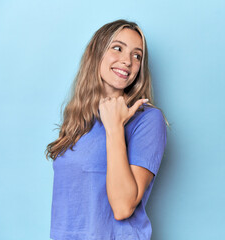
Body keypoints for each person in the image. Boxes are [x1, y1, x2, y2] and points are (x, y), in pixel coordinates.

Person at [45, 19, 169, 240]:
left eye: (136, 55)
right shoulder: (78, 121)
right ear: (97, 52)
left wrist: (114, 128)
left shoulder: (148, 120)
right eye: (117, 48)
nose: (127, 61)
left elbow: (123, 208)